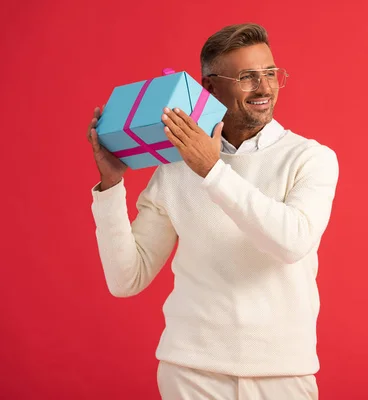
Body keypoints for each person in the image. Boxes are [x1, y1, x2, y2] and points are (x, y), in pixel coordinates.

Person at [87, 23, 339, 399]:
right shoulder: (174, 168)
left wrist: (213, 171)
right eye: (247, 77)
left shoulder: (311, 158)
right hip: (190, 372)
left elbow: (292, 242)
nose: (265, 88)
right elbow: (127, 278)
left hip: (283, 373)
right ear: (209, 87)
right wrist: (111, 186)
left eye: (270, 73)